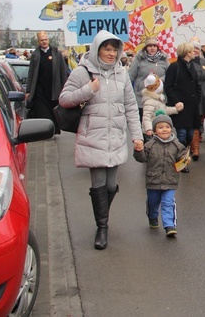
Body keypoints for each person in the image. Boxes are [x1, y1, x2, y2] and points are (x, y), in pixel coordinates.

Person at [58, 30, 143, 249]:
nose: (111, 53)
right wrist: (88, 89)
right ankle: (102, 227)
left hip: (115, 137)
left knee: (111, 185)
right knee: (99, 184)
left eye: (114, 49)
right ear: (97, 49)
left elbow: (131, 107)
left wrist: (137, 137)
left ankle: (102, 213)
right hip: (92, 137)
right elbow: (64, 99)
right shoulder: (82, 72)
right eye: (106, 48)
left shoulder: (122, 74)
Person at [133, 111, 188, 237]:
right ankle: (152, 217)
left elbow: (182, 157)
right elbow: (142, 158)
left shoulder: (177, 145)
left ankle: (169, 225)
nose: (165, 130)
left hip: (170, 180)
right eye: (161, 127)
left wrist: (185, 160)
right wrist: (138, 150)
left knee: (168, 202)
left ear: (171, 128)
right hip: (153, 180)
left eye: (167, 127)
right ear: (155, 130)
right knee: (153, 202)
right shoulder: (150, 144)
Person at [164, 42, 201, 170]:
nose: (194, 52)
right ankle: (181, 162)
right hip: (180, 107)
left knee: (190, 135)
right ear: (186, 53)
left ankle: (183, 157)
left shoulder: (192, 67)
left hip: (192, 107)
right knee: (181, 135)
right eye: (192, 50)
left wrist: (197, 98)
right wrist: (176, 101)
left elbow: (197, 85)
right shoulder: (175, 67)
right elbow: (168, 87)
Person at [26, 30, 68, 132]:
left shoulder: (56, 53)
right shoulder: (35, 55)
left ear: (48, 40)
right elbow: (31, 73)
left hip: (53, 88)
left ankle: (54, 129)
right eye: (41, 40)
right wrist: (28, 90)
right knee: (42, 112)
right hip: (39, 89)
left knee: (53, 110)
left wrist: (65, 88)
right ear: (38, 42)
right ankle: (45, 131)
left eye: (45, 40)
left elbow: (63, 72)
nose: (44, 42)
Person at [128, 36, 170, 123]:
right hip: (142, 98)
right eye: (150, 46)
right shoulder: (139, 59)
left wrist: (161, 79)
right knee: (144, 124)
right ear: (146, 47)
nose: (152, 48)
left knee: (159, 124)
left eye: (154, 46)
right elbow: (130, 76)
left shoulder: (164, 60)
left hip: (160, 98)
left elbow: (170, 75)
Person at [141, 73, 184, 140]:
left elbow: (164, 110)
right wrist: (149, 129)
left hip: (159, 130)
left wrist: (176, 109)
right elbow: (146, 116)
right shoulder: (149, 101)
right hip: (152, 132)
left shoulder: (158, 99)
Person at [189, 38, 205, 161]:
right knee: (195, 120)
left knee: (204, 116)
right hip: (194, 95)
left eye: (197, 48)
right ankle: (195, 148)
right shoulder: (187, 63)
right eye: (193, 49)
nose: (195, 51)